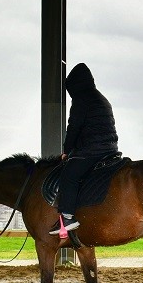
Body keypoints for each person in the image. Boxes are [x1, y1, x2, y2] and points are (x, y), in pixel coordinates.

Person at [49, 62, 119, 238]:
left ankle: (68, 217)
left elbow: (74, 127)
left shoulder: (82, 100)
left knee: (69, 175)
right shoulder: (102, 98)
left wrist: (67, 150)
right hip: (110, 149)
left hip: (92, 151)